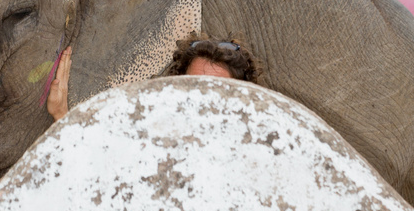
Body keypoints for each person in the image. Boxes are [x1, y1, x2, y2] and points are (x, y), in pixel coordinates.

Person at [46, 37, 261, 122]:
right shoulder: (154, 139)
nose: (199, 99)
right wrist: (61, 115)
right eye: (191, 86)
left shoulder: (259, 155)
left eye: (215, 91)